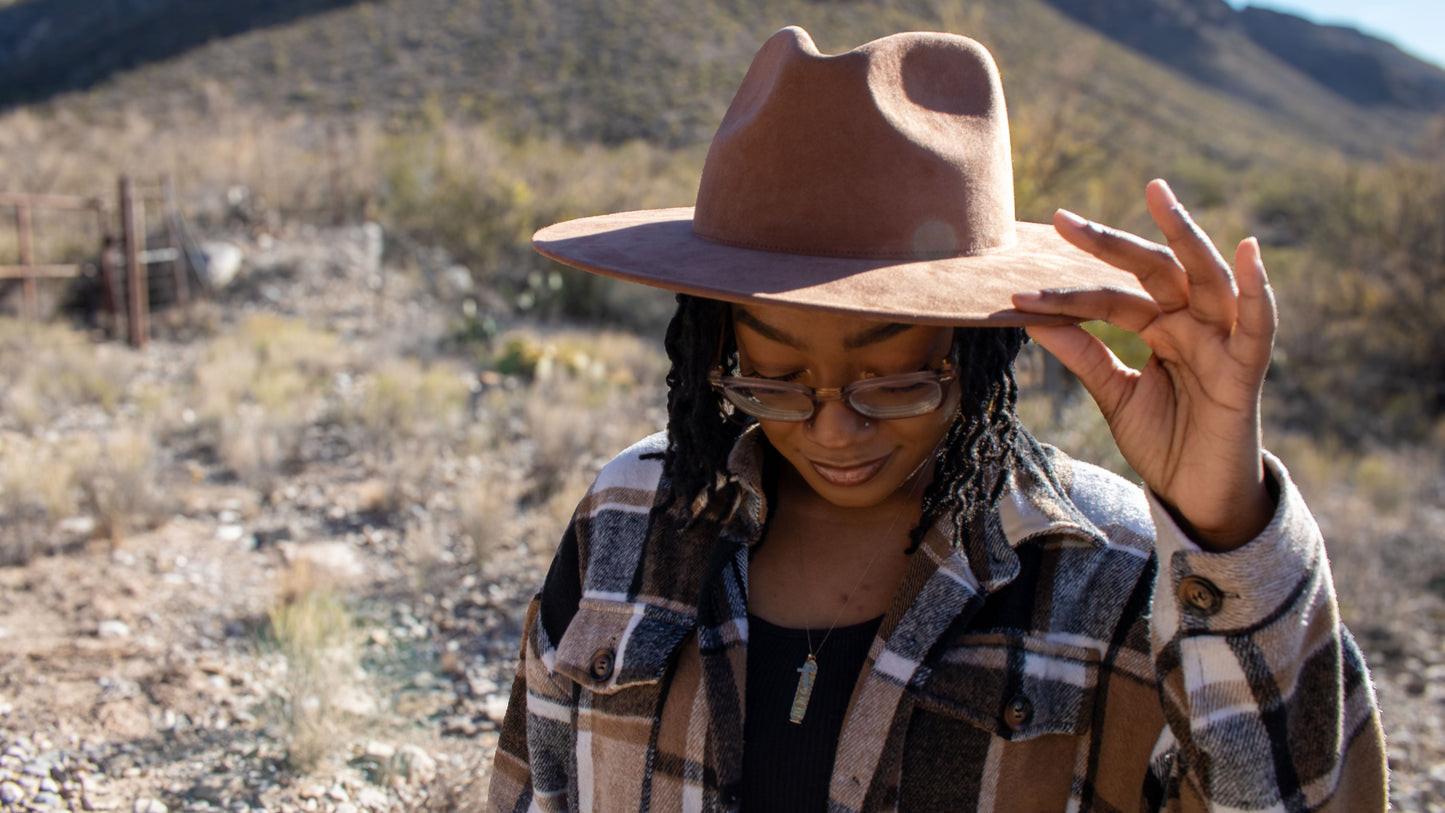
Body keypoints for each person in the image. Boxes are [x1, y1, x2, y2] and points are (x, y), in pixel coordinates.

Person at [487, 26, 1387, 812]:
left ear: (977, 351)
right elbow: (535, 787)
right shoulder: (629, 517)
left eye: (892, 379)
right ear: (712, 350)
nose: (833, 430)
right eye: (771, 376)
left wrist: (1226, 528)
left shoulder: (1110, 573)